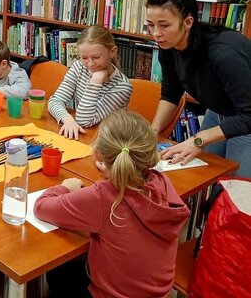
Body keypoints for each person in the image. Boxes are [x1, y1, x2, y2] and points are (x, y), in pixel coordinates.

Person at [34, 110, 190, 298]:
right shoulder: (163, 182)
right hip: (159, 295)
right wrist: (111, 169)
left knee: (58, 270)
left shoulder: (104, 195)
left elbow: (41, 207)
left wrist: (65, 187)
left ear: (99, 155)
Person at [147, 0, 251, 177]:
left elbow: (248, 116)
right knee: (204, 174)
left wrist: (198, 140)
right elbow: (171, 93)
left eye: (164, 25)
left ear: (188, 22)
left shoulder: (223, 53)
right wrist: (153, 132)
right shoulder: (168, 45)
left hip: (246, 118)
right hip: (220, 110)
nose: (156, 33)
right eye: (151, 24)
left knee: (238, 186)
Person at [48, 25, 132, 139]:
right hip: (86, 136)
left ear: (112, 52)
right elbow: (55, 101)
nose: (90, 64)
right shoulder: (79, 67)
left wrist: (95, 81)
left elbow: (84, 120)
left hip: (108, 139)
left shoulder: (122, 87)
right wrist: (67, 119)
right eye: (84, 58)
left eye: (97, 57)